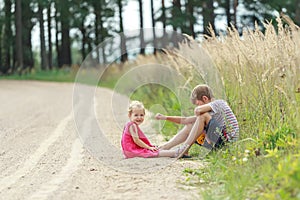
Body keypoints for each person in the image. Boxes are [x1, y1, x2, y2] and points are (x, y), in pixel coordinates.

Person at [155, 84, 239, 158]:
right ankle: (166, 147)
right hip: (217, 142)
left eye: (198, 103)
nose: (197, 106)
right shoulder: (208, 114)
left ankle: (183, 149)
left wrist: (199, 111)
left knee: (202, 116)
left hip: (227, 141)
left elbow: (197, 111)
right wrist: (165, 117)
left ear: (205, 98)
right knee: (190, 125)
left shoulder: (219, 103)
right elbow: (186, 120)